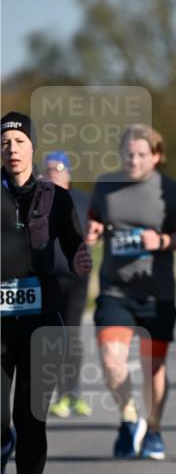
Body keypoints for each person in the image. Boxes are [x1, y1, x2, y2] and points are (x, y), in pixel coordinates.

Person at [1, 113, 92, 474]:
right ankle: (4, 442)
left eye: (19, 140)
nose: (12, 148)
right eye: (5, 142)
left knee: (31, 415)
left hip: (42, 323)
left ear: (32, 148)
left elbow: (75, 246)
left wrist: (81, 257)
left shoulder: (57, 198)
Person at [85, 125, 176, 460]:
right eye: (128, 154)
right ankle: (130, 417)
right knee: (110, 360)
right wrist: (94, 231)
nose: (133, 160)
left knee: (154, 369)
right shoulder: (106, 186)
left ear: (156, 157)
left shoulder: (169, 190)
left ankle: (155, 430)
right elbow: (94, 222)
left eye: (141, 154)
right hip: (115, 290)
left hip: (156, 294)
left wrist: (160, 241)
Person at [40, 151, 92, 418]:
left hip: (77, 279)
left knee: (71, 336)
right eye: (49, 169)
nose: (54, 173)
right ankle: (56, 395)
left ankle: (72, 394)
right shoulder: (37, 202)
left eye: (59, 168)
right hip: (47, 278)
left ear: (68, 172)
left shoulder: (83, 200)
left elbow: (98, 228)